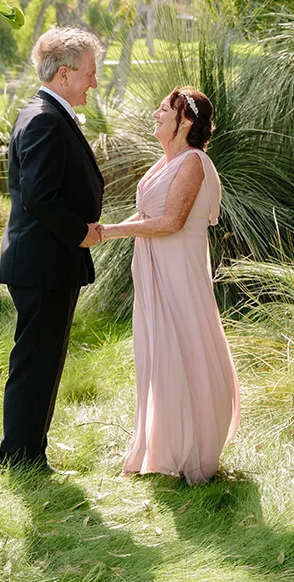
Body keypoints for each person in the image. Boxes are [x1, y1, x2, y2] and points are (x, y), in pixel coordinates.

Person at [93, 87, 240, 485]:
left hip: (179, 268)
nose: (155, 114)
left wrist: (107, 232)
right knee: (158, 352)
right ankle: (163, 445)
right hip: (155, 265)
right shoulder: (166, 161)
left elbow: (173, 221)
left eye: (164, 109)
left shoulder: (193, 162)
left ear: (186, 122)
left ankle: (195, 447)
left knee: (185, 345)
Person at [0, 26, 105, 473]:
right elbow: (39, 196)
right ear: (64, 74)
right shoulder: (43, 117)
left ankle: (27, 454)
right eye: (90, 73)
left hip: (46, 262)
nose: (94, 83)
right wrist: (80, 232)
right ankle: (20, 458)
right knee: (36, 365)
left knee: (42, 362)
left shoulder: (46, 112)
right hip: (44, 263)